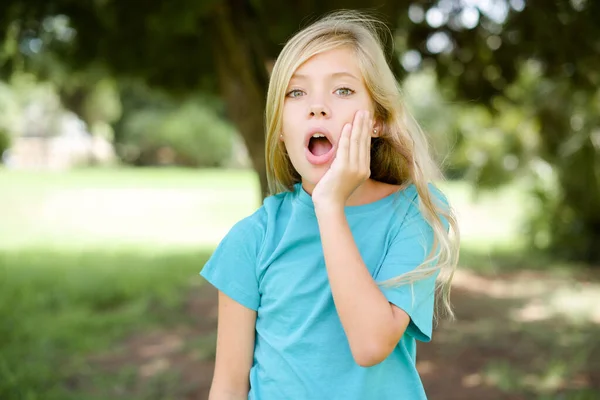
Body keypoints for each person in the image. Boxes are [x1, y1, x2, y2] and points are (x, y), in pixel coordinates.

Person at [200, 9, 460, 400]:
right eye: (296, 92)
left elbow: (371, 344)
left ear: (378, 121)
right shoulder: (252, 238)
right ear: (282, 130)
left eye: (342, 91)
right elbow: (228, 386)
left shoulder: (415, 211)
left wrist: (329, 206)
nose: (317, 107)